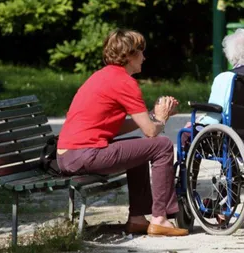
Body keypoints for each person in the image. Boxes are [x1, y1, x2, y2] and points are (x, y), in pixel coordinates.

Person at [56, 29, 188, 237]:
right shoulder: (125, 83)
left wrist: (152, 115)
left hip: (68, 156)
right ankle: (160, 218)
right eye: (141, 52)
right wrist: (161, 118)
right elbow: (151, 132)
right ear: (128, 55)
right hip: (83, 155)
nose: (144, 57)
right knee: (161, 145)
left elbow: (115, 126)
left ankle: (137, 218)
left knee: (139, 146)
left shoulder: (103, 76)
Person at [182, 29, 244, 144]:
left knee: (186, 133)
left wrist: (197, 121)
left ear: (232, 52)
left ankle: (186, 162)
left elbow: (213, 119)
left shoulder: (226, 78)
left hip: (234, 139)